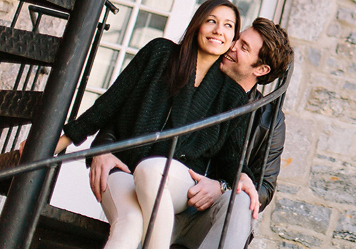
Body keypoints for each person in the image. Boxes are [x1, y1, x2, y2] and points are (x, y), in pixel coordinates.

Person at [53, 0, 257, 249]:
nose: (218, 30)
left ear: (233, 38)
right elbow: (109, 103)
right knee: (129, 224)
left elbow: (231, 159)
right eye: (211, 21)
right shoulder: (160, 54)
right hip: (123, 168)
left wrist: (243, 177)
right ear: (197, 25)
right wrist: (54, 144)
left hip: (177, 180)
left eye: (228, 26)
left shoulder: (233, 97)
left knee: (151, 171)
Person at [89, 17, 294, 249]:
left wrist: (222, 187)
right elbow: (129, 112)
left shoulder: (269, 120)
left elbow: (264, 187)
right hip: (158, 192)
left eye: (244, 47)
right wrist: (104, 147)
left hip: (206, 216)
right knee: (143, 194)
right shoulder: (195, 72)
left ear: (261, 68)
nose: (232, 45)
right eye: (237, 38)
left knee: (243, 201)